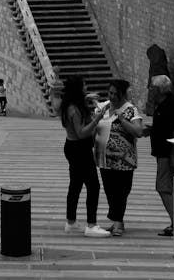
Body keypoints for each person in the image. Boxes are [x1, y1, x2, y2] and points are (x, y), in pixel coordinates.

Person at [57, 74, 111, 238]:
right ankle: (91, 225)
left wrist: (87, 97)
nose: (86, 88)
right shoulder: (74, 109)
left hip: (72, 147)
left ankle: (71, 222)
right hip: (79, 149)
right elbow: (81, 133)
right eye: (84, 86)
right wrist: (98, 118)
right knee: (93, 186)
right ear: (77, 89)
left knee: (75, 185)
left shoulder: (67, 104)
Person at [94, 79, 143, 236]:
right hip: (104, 158)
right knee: (110, 190)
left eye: (116, 94)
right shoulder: (104, 107)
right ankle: (117, 221)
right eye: (110, 93)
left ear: (122, 94)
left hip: (124, 160)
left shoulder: (130, 110)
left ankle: (118, 222)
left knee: (122, 191)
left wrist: (122, 120)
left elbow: (138, 131)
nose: (113, 96)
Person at [144, 74, 174, 237]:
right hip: (164, 154)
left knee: (163, 188)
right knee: (168, 188)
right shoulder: (161, 104)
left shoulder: (172, 105)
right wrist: (151, 131)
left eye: (152, 87)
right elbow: (165, 127)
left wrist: (173, 157)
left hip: (168, 155)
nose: (150, 90)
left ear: (160, 89)